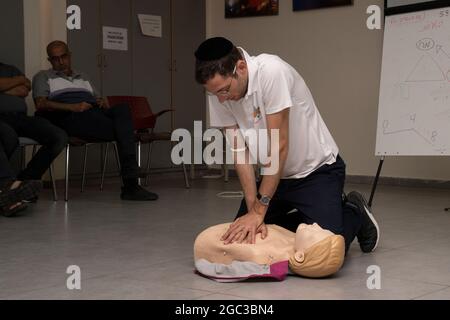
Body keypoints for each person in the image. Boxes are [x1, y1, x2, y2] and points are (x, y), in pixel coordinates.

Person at [194, 37, 379, 253]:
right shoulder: (218, 94)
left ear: (241, 68)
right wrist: (253, 210)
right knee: (244, 239)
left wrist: (260, 210)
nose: (221, 100)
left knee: (323, 250)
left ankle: (353, 211)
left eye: (224, 90)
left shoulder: (272, 72)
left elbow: (278, 146)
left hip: (316, 173)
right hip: (275, 178)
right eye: (214, 93)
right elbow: (239, 153)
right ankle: (318, 216)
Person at [32, 40, 158, 201]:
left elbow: (98, 98)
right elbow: (40, 103)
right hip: (70, 116)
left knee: (122, 109)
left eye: (64, 56)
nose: (61, 62)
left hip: (93, 112)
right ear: (50, 60)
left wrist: (101, 102)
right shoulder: (43, 76)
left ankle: (130, 177)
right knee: (124, 131)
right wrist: (73, 107)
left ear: (70, 56)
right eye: (55, 59)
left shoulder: (83, 76)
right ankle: (130, 182)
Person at [0, 61, 68, 217]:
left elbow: (25, 88)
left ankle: (21, 183)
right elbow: (21, 84)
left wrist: (4, 87)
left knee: (58, 136)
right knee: (8, 136)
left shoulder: (10, 68)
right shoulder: (14, 74)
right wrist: (16, 82)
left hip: (20, 118)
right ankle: (8, 189)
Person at [194, 222, 345, 281]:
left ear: (300, 256)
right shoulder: (294, 242)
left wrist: (204, 266)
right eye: (322, 228)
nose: (316, 224)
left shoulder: (271, 263)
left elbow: (237, 271)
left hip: (208, 242)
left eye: (315, 232)